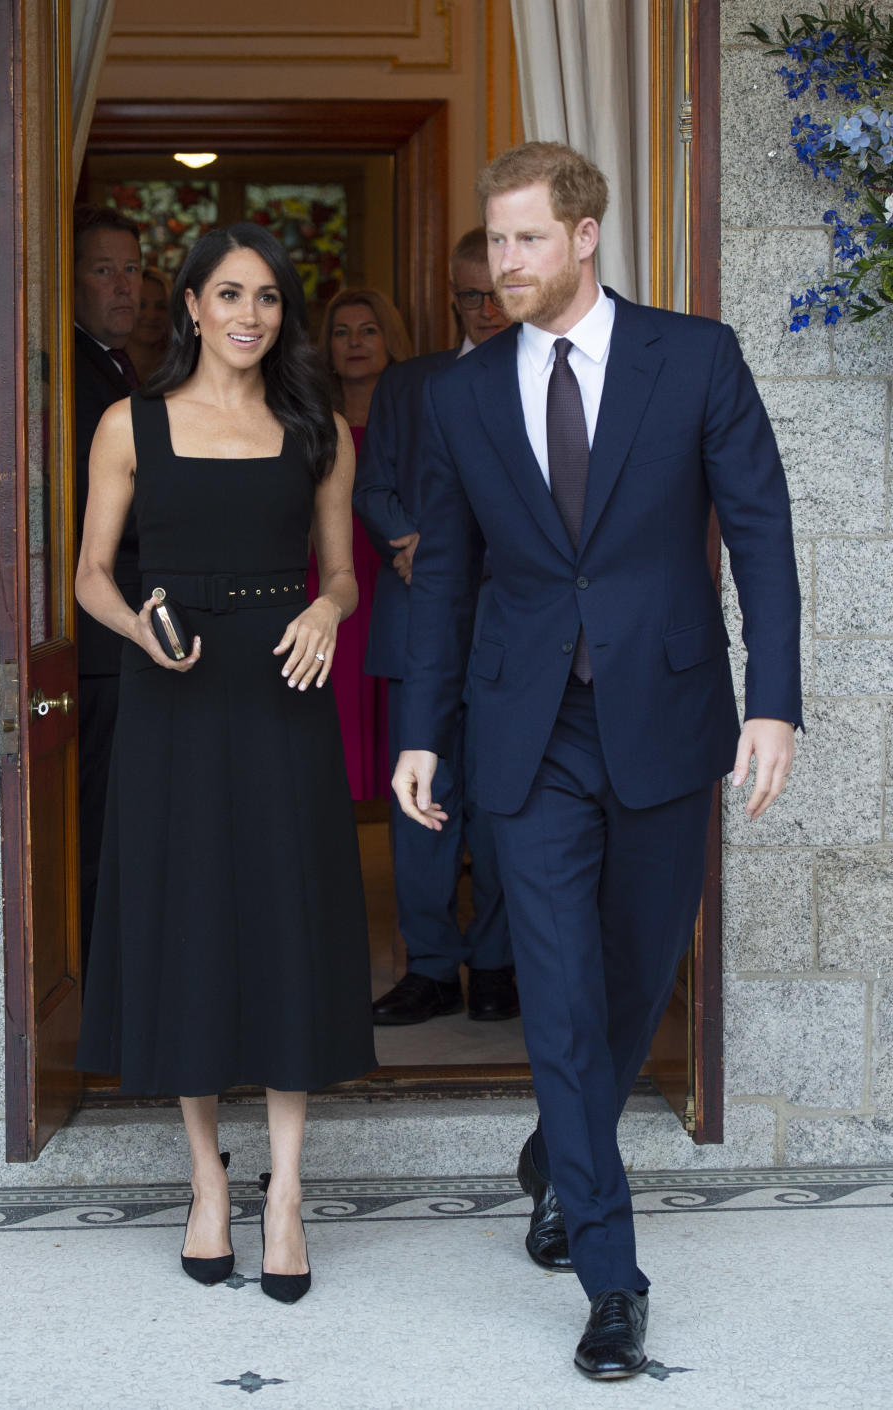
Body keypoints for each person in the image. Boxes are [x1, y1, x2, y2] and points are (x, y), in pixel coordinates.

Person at [392, 142, 802, 1379]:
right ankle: (612, 1278)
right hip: (530, 731)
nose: (503, 263)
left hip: (669, 719)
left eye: (525, 239)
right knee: (563, 993)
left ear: (585, 235)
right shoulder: (462, 395)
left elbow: (765, 533)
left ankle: (554, 1154)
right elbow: (448, 574)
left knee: (633, 978)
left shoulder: (697, 357)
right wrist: (422, 727)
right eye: (493, 239)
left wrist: (772, 704)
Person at [74, 223, 376, 1303]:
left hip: (284, 691)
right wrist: (135, 625)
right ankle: (208, 1178)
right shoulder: (130, 424)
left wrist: (329, 614)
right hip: (174, 689)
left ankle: (286, 1190)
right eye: (230, 295)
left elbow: (341, 574)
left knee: (287, 923)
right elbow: (91, 577)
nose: (251, 315)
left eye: (269, 298)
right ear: (192, 305)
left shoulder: (319, 432)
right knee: (187, 924)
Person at [354, 229, 517, 1024]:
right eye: (469, 295)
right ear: (449, 297)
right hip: (417, 619)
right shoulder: (408, 383)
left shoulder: (544, 377)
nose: (485, 310)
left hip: (513, 628)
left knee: (499, 800)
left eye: (498, 292)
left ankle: (494, 965)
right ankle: (427, 967)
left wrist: (459, 554)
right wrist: (410, 540)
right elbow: (373, 482)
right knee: (419, 803)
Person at [73, 205, 144, 978]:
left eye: (131, 269)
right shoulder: (73, 374)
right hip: (98, 637)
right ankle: (99, 987)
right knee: (100, 821)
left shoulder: (124, 365)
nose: (123, 287)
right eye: (103, 270)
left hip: (128, 635)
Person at [307, 289, 412, 800]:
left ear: (390, 340)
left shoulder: (417, 412)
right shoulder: (306, 419)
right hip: (328, 574)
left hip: (398, 570)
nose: (354, 342)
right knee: (338, 701)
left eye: (368, 330)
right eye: (341, 332)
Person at [126, 265, 171, 384]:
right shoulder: (103, 366)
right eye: (142, 305)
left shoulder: (181, 370)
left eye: (161, 307)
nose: (151, 315)